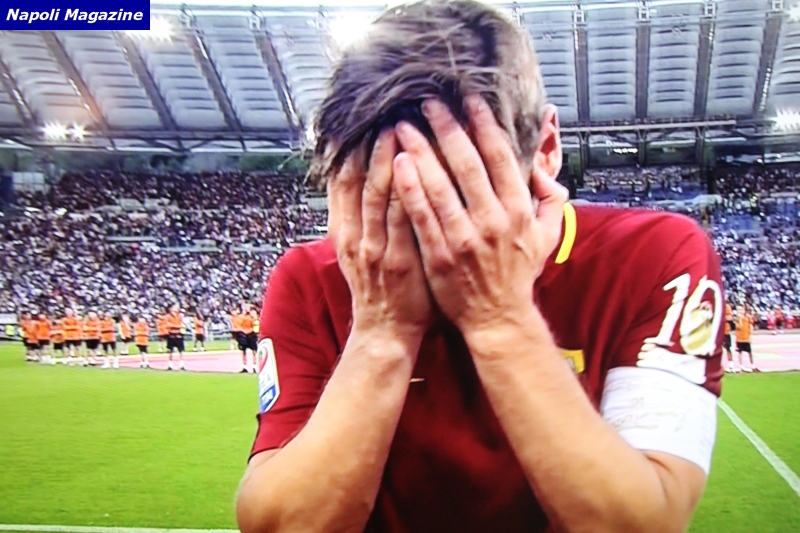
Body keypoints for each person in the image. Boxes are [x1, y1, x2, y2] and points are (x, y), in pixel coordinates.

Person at [236, 2, 724, 533]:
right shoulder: (311, 277)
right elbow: (281, 524)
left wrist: (500, 318)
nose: (435, 239)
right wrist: (382, 330)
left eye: (463, 195)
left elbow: (643, 523)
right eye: (389, 202)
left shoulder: (653, 255)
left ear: (545, 150)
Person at [165, 303, 186, 371]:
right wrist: (176, 326)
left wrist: (174, 326)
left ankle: (181, 365)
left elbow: (181, 325)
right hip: (171, 335)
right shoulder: (168, 316)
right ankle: (170, 365)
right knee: (170, 351)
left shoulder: (180, 316)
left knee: (181, 351)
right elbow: (168, 325)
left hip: (178, 335)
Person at [735, 305, 755, 372]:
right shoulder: (737, 319)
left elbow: (751, 326)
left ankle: (752, 365)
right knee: (740, 352)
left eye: (741, 310)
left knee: (749, 352)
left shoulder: (748, 317)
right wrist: (740, 319)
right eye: (738, 310)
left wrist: (750, 336)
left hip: (746, 338)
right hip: (739, 338)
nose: (740, 311)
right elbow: (739, 327)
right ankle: (741, 366)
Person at [238, 303, 256, 373]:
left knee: (254, 351)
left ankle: (254, 366)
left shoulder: (252, 317)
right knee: (243, 351)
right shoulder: (241, 317)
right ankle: (244, 366)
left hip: (251, 333)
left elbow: (255, 324)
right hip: (244, 334)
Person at [722, 303, 735, 373]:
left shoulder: (726, 306)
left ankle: (731, 365)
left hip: (725, 331)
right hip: (717, 331)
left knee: (728, 348)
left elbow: (729, 317)